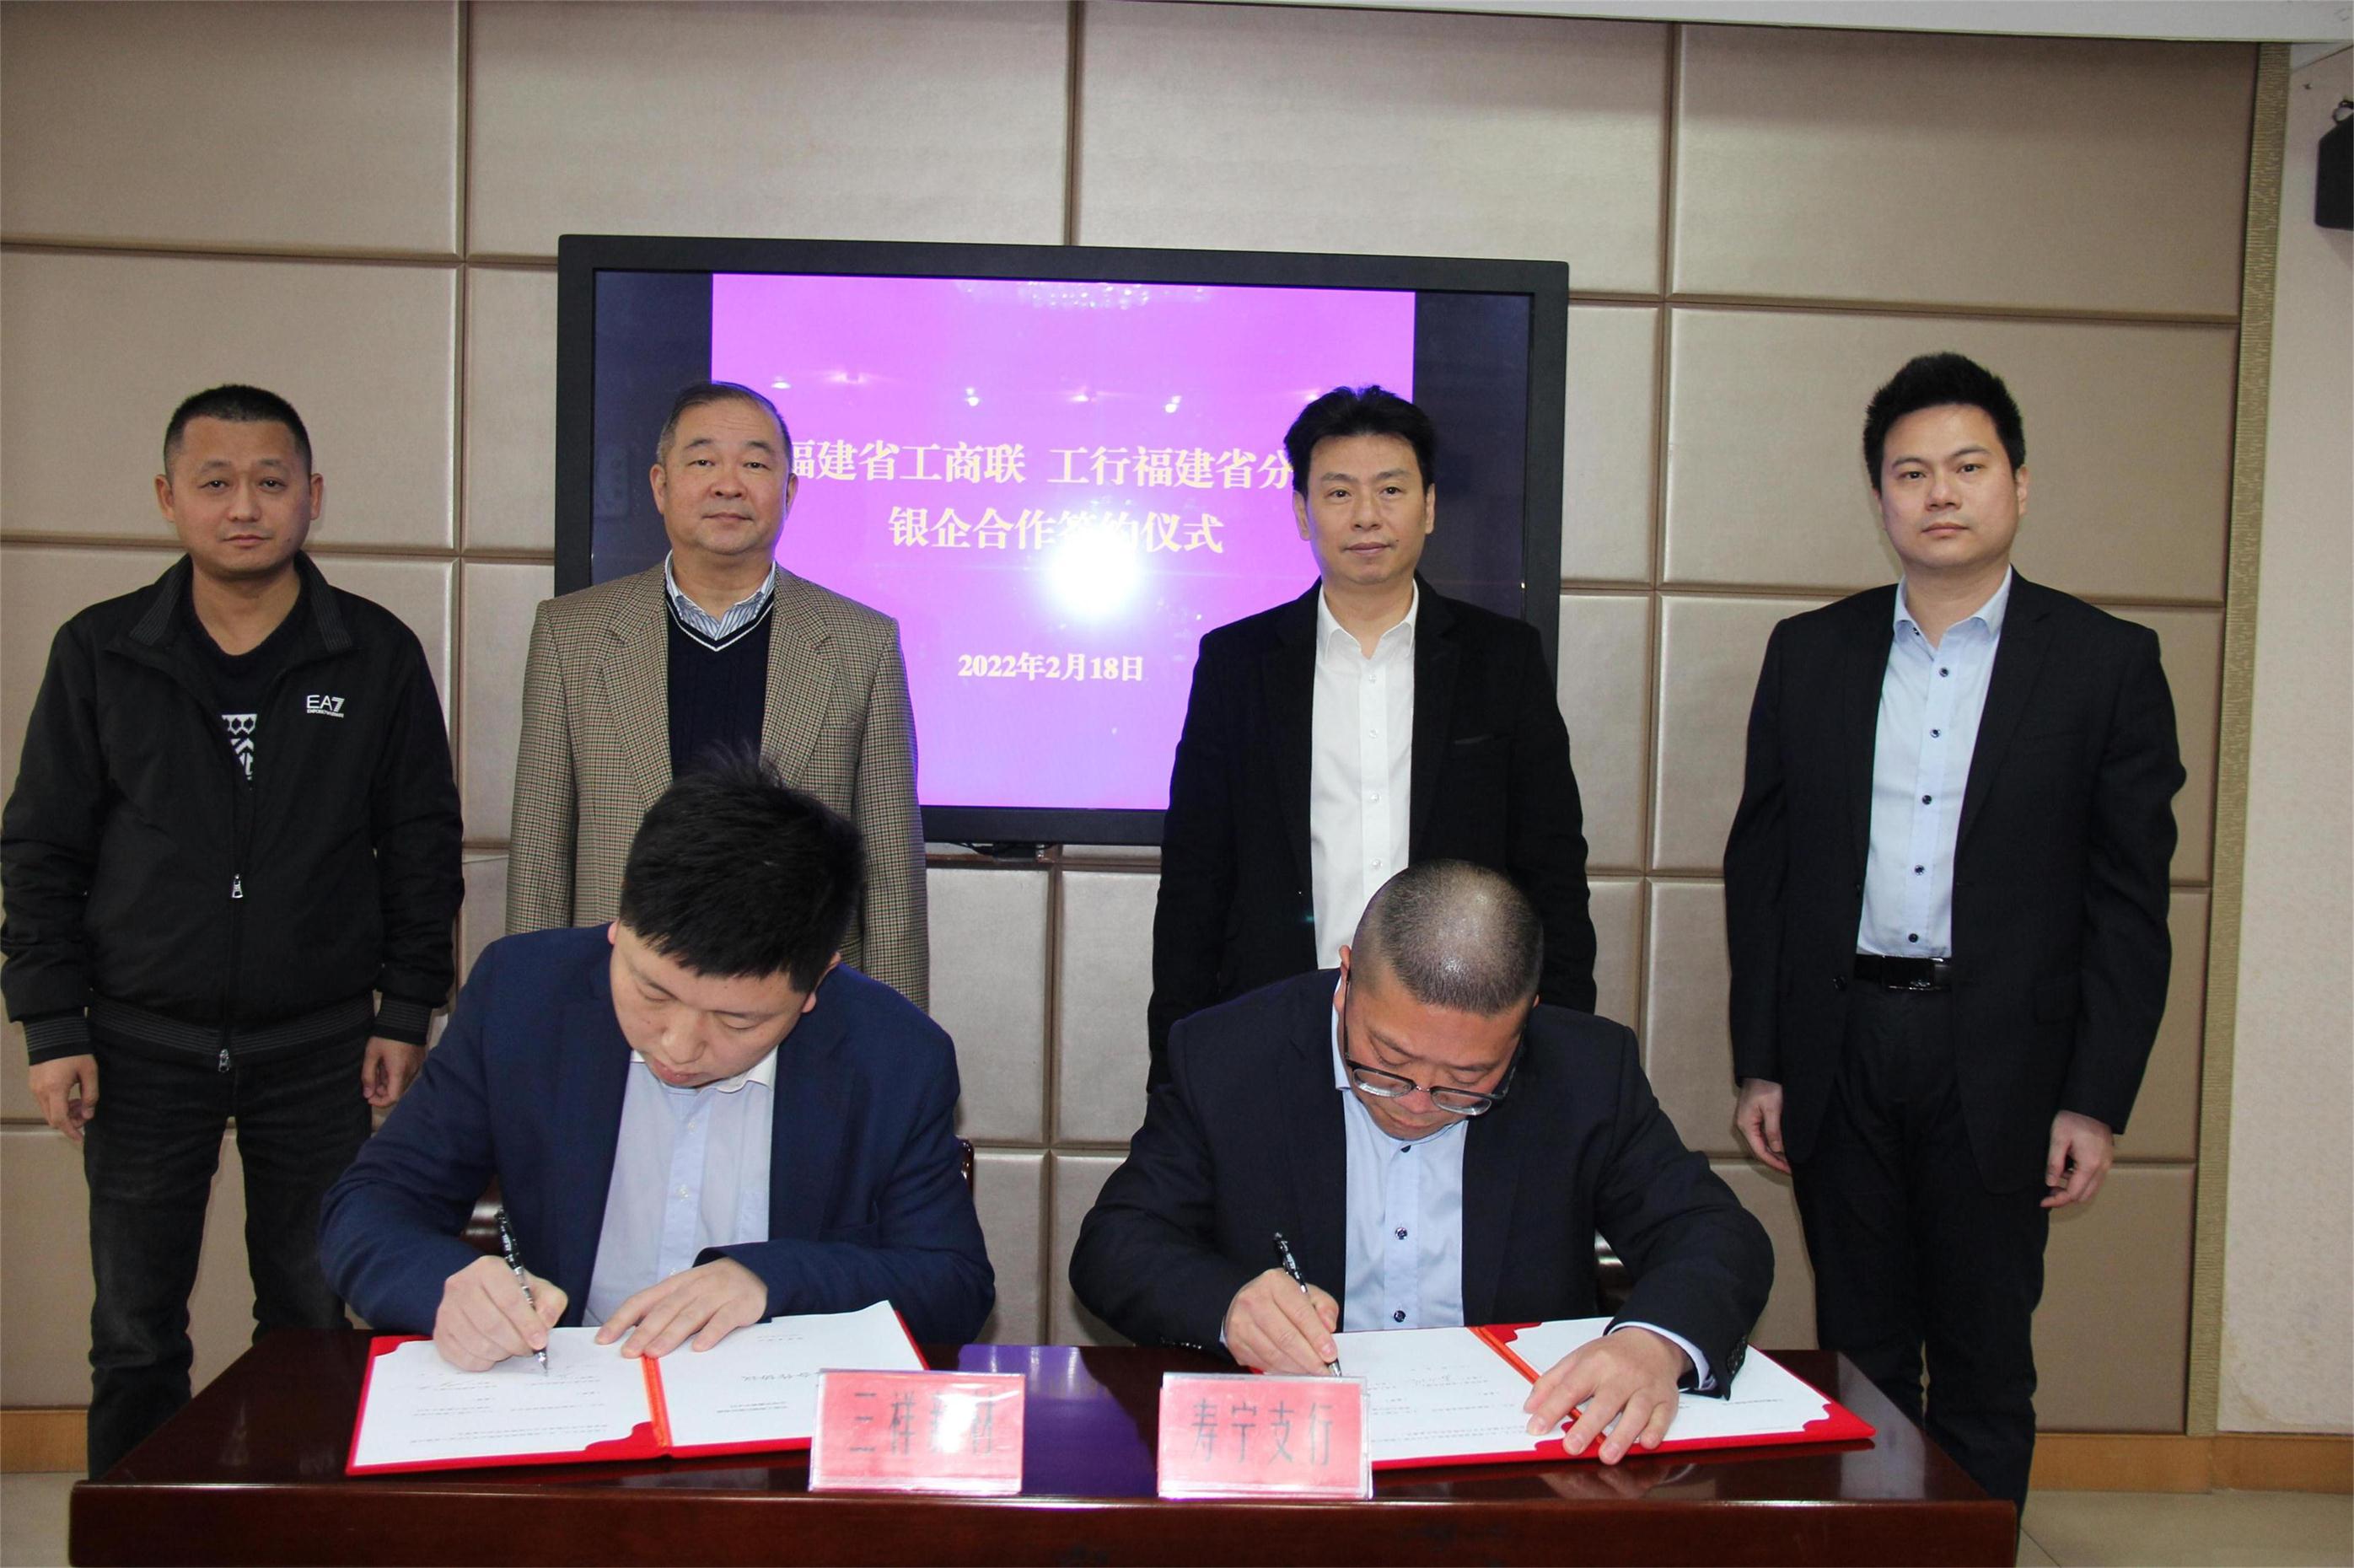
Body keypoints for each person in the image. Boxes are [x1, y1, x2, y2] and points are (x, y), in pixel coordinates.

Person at [1723, 352, 2184, 1514]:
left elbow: (2128, 904)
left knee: (1983, 1359)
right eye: (1910, 472)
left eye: (1967, 467)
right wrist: (1763, 1060)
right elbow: (1763, 873)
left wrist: (2094, 1098)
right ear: (1879, 497)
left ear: (2017, 484)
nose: (1940, 493)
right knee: (1861, 1351)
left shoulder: (2104, 663)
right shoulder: (1810, 652)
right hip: (1843, 1044)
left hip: (2007, 1064)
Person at [1, 384, 465, 1476]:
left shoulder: (375, 654)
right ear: (169, 499)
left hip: (318, 1048)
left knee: (309, 1319)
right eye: (215, 482)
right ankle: (141, 1537)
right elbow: (42, 850)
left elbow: (421, 845)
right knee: (134, 1333)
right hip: (135, 1044)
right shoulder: (102, 651)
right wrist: (51, 1026)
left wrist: (405, 1008)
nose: (244, 506)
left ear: (313, 496)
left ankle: (295, 1531)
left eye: (270, 481)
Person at [1077, 861, 1770, 1464]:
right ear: (1346, 979)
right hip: (1293, 1455)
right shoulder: (1229, 1055)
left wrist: (1653, 1344)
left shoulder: (1587, 1072)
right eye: (1388, 1062)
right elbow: (1116, 1243)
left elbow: (1715, 1235)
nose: (1415, 1104)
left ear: (1523, 1023)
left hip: (1515, 1455)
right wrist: (1230, 1307)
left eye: (1466, 1082)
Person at [322, 755, 992, 1365]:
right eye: (652, 993)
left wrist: (770, 1279)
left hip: (774, 1410)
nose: (678, 1045)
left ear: (817, 981)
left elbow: (952, 1285)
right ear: (620, 920)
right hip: (567, 1394)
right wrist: (450, 1287)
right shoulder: (522, 998)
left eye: (737, 1021)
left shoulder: (893, 1056)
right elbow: (370, 1205)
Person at [1147, 385, 1595, 1087]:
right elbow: (1195, 880)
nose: (1366, 516)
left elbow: (1553, 867)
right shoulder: (1238, 663)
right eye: (1338, 493)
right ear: (1303, 512)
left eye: (1390, 490)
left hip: (1458, 1037)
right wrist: (1175, 1064)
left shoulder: (1501, 660)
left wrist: (1561, 1047)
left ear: (1430, 507)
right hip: (1276, 1021)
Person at [507, 380, 929, 1008]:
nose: (728, 485)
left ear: (788, 492)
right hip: (616, 999)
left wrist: (892, 1038)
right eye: (703, 461)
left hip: (797, 1002)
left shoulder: (860, 643)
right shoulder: (573, 635)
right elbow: (540, 858)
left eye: (755, 465)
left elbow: (891, 874)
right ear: (660, 485)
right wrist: (532, 1021)